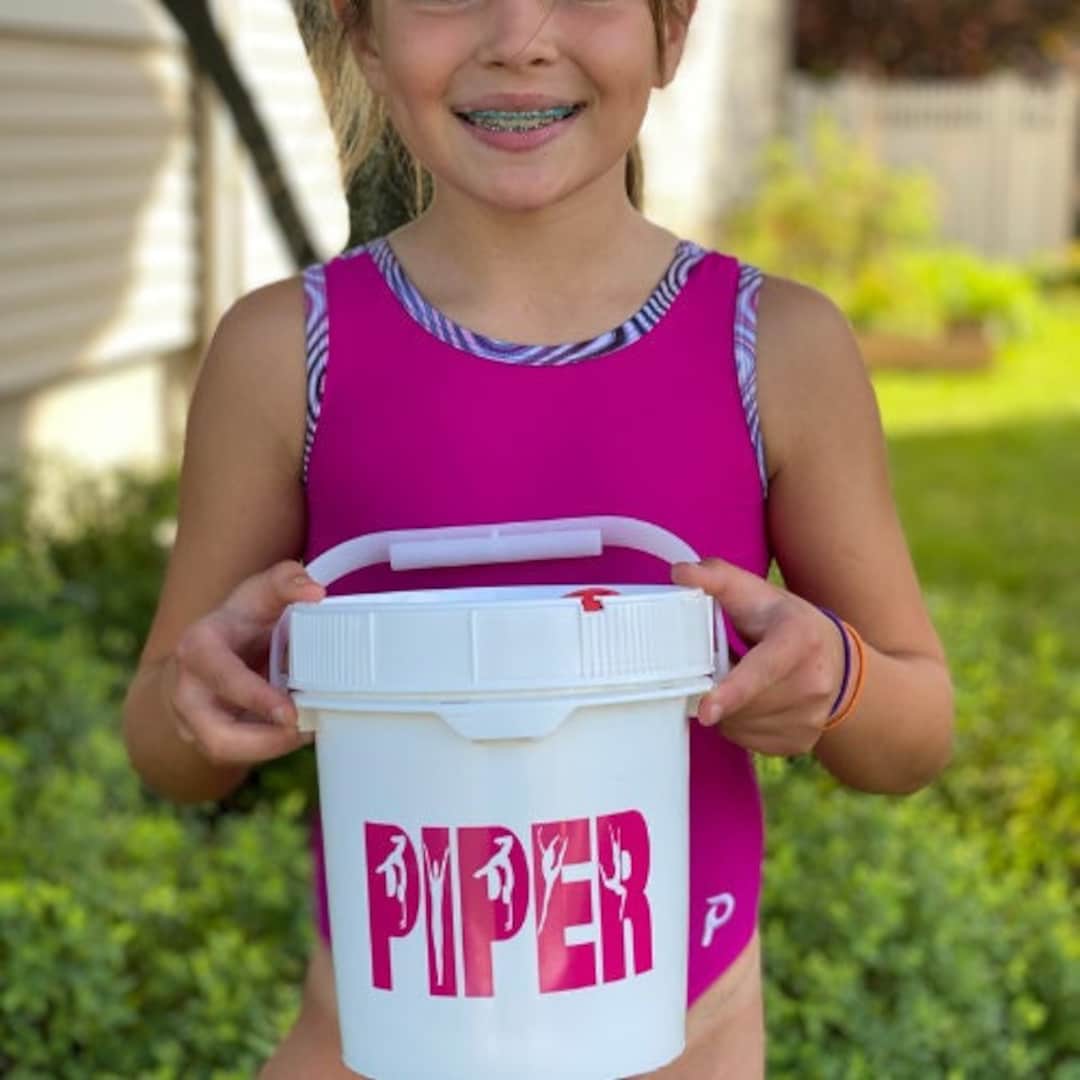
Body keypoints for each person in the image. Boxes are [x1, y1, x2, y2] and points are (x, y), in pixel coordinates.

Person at [121, 0, 955, 1076]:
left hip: (680, 1048)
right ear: (364, 36)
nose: (519, 36)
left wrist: (837, 678)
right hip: (375, 1044)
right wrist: (204, 696)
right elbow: (160, 733)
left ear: (672, 31)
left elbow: (917, 724)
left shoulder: (776, 352)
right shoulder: (286, 354)